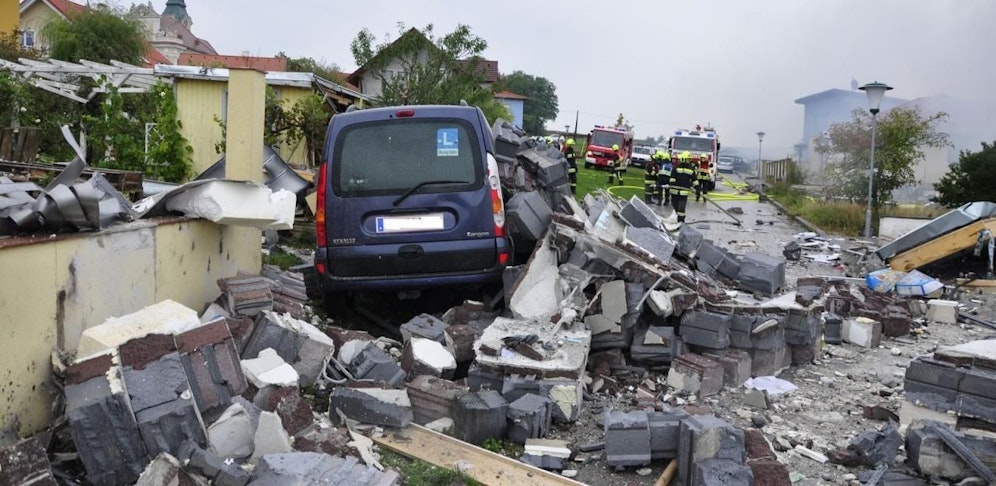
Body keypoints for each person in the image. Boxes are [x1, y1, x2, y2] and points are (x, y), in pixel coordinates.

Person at [670, 151, 696, 223]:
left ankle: (681, 222)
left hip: (683, 193)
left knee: (681, 208)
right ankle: (677, 218)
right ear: (683, 159)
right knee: (675, 206)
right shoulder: (676, 169)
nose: (689, 161)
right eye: (688, 159)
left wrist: (697, 189)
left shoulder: (691, 170)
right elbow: (672, 179)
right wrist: (673, 185)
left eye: (689, 159)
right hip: (674, 191)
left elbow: (695, 181)